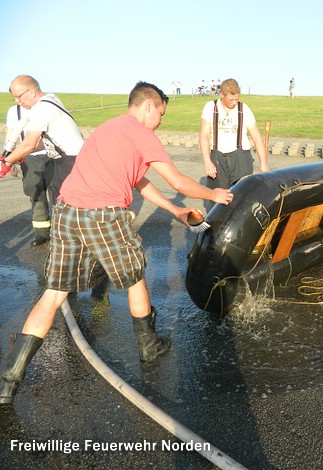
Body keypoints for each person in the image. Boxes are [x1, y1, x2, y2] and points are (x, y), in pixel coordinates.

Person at [0, 81, 234, 405]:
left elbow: (138, 180)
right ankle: (149, 345)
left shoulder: (107, 130)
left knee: (54, 294)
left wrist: (175, 209)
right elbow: (178, 180)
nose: (161, 122)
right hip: (103, 214)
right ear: (148, 106)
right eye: (161, 114)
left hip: (67, 212)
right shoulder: (143, 135)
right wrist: (215, 194)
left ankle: (9, 381)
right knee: (134, 276)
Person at [1, 76, 84, 207]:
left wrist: (7, 162)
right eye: (15, 98)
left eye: (19, 97)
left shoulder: (42, 109)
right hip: (66, 160)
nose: (18, 101)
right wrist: (16, 156)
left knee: (65, 204)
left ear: (32, 92)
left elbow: (28, 144)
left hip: (70, 161)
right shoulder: (50, 101)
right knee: (59, 201)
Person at [199, 78, 270, 199]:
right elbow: (204, 135)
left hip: (240, 158)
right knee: (217, 198)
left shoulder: (244, 109)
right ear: (221, 94)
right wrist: (207, 161)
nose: (234, 103)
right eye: (230, 100)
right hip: (217, 157)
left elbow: (257, 137)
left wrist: (263, 163)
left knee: (241, 196)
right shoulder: (210, 107)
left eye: (237, 99)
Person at [4, 104, 52, 246]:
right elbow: (11, 134)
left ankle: (63, 234)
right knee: (36, 195)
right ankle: (42, 234)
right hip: (28, 157)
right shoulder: (14, 111)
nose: (18, 100)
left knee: (59, 196)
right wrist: (11, 160)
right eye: (15, 97)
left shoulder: (47, 106)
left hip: (53, 156)